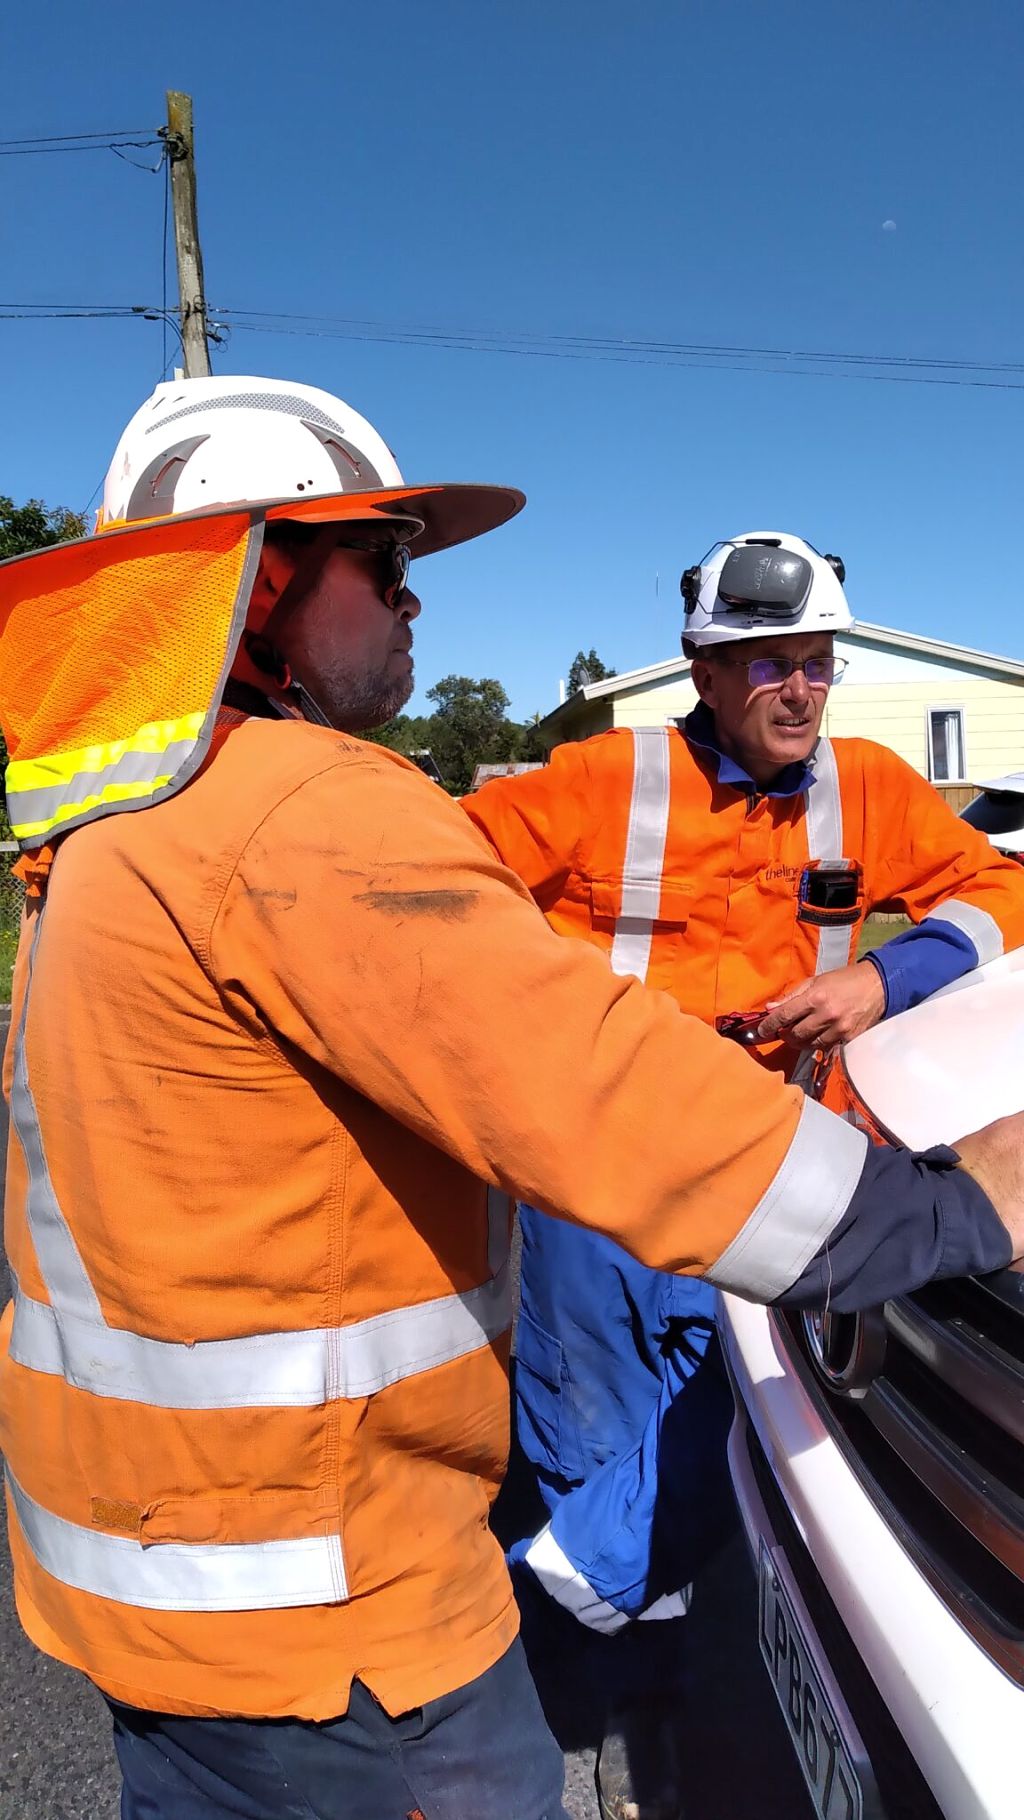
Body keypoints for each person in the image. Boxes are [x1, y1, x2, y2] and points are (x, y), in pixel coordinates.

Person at [0, 426, 1022, 1820]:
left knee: (719, 1467)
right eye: (385, 557)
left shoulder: (123, 829)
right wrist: (947, 1212)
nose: (415, 598)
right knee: (608, 1459)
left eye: (817, 660)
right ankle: (613, 1631)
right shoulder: (319, 819)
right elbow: (573, 1067)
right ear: (259, 580)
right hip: (338, 1605)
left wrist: (884, 973)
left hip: (186, 1577)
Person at [464, 530, 1024, 1820]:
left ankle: (614, 1641)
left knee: (734, 1425)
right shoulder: (605, 781)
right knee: (592, 1429)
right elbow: (437, 881)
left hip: (773, 1164)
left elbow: (997, 887)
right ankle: (593, 1697)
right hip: (602, 1179)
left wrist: (887, 974)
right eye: (767, 662)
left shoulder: (868, 786)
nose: (800, 689)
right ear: (703, 670)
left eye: (819, 664)